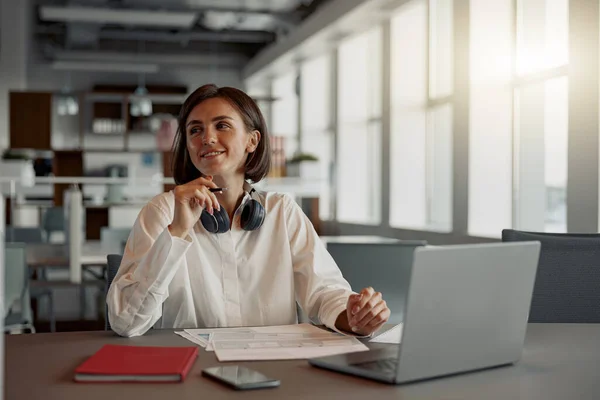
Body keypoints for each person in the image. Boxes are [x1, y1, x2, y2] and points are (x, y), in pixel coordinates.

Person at [107, 84, 391, 338]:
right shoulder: (161, 212)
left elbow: (324, 293)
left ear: (252, 141)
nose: (207, 138)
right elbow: (126, 323)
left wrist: (353, 317)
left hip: (274, 367)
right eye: (195, 130)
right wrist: (178, 232)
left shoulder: (281, 212)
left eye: (222, 126)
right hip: (190, 367)